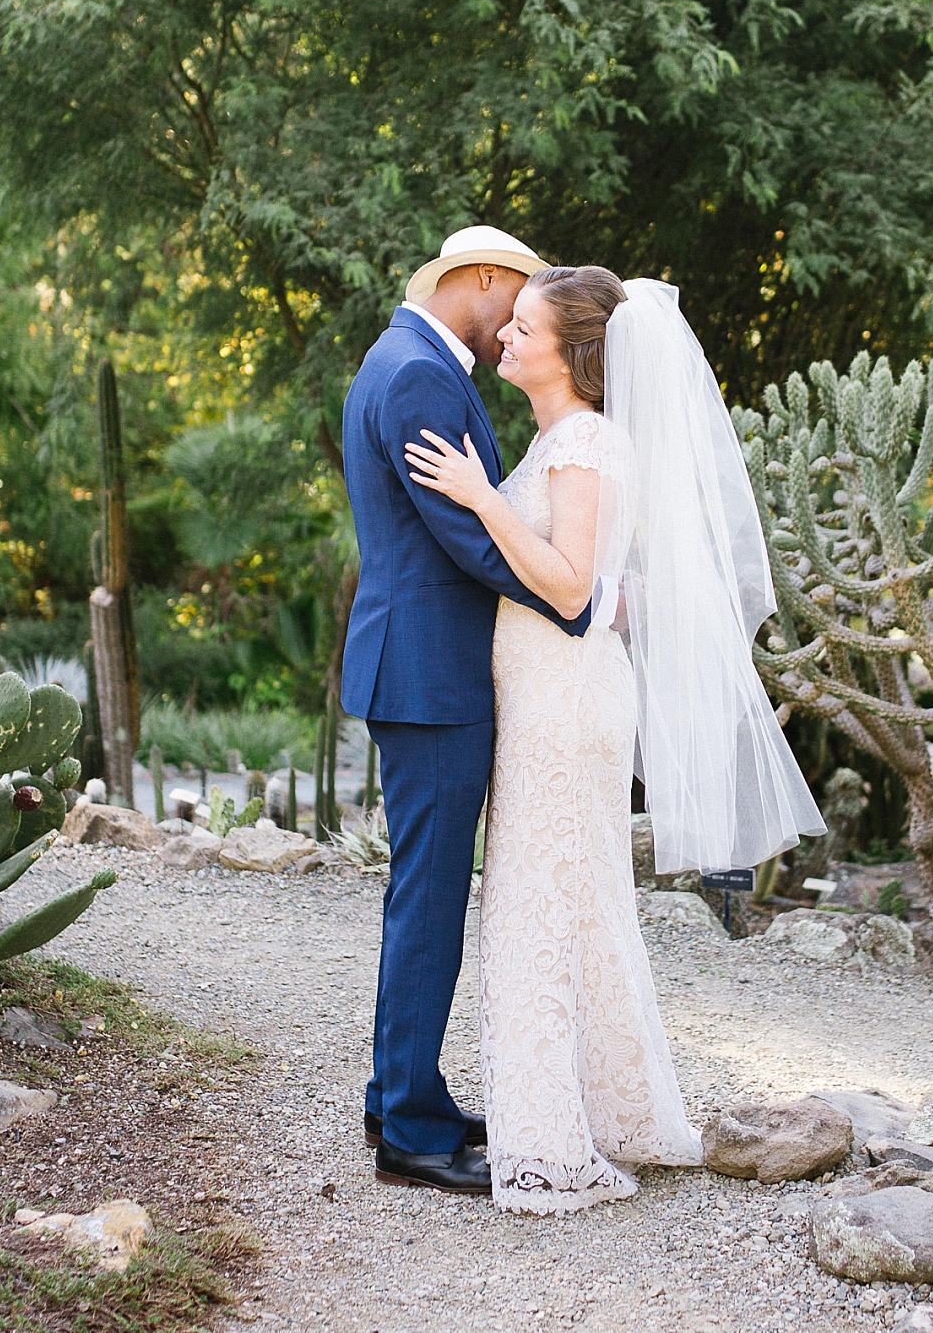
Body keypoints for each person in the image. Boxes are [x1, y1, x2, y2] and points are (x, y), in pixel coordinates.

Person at [406, 265, 818, 1216]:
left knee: (541, 906)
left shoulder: (587, 441)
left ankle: (551, 1142)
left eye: (524, 327)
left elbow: (570, 587)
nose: (504, 335)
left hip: (565, 704)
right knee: (575, 902)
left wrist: (479, 496)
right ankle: (615, 1110)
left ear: (572, 351)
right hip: (551, 696)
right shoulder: (563, 436)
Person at [341, 229, 580, 1196]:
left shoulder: (410, 360)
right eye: (521, 296)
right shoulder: (417, 377)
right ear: (480, 278)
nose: (523, 318)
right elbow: (465, 539)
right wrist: (574, 599)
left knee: (424, 888)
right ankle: (409, 1127)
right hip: (431, 679)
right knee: (430, 895)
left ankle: (401, 1094)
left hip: (423, 670)